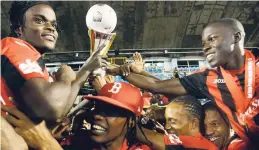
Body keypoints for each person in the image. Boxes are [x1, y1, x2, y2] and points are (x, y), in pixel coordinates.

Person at [106, 18, 259, 146]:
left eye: (212, 39)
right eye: (204, 43)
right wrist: (121, 71)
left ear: (237, 37)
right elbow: (157, 85)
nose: (205, 47)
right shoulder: (206, 78)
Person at [1, 1, 103, 123]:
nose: (50, 28)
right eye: (39, 21)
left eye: (54, 25)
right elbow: (52, 107)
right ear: (19, 28)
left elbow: (58, 113)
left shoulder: (31, 58)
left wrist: (85, 71)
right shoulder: (14, 46)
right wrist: (65, 75)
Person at [2, 82, 152, 150]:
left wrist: (46, 143)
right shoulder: (78, 141)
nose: (98, 116)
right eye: (97, 108)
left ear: (131, 122)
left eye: (111, 111)